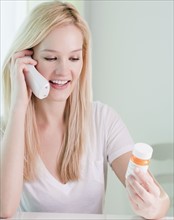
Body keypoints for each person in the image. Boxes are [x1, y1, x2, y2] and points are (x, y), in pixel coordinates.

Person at [0, 1, 170, 219]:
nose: (63, 71)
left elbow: (161, 200)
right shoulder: (8, 129)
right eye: (51, 58)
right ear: (27, 60)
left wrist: (154, 206)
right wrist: (18, 106)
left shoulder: (103, 120)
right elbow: (4, 209)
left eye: (74, 58)